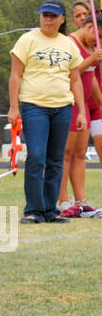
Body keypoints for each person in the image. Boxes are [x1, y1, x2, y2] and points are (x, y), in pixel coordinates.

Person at [8, 1, 87, 224]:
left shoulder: (68, 44)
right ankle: (33, 210)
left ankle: (50, 209)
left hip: (62, 108)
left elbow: (75, 80)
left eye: (53, 16)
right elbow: (15, 76)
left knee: (56, 160)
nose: (48, 20)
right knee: (36, 157)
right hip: (34, 107)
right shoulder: (27, 40)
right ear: (40, 17)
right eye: (45, 15)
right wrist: (14, 107)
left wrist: (81, 111)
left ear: (62, 19)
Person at [57, 11, 102, 217]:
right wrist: (91, 59)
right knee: (65, 154)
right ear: (90, 26)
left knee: (79, 154)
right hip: (69, 103)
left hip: (83, 105)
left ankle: (81, 200)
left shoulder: (92, 47)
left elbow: (91, 78)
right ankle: (62, 200)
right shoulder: (69, 42)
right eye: (99, 36)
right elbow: (69, 73)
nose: (99, 41)